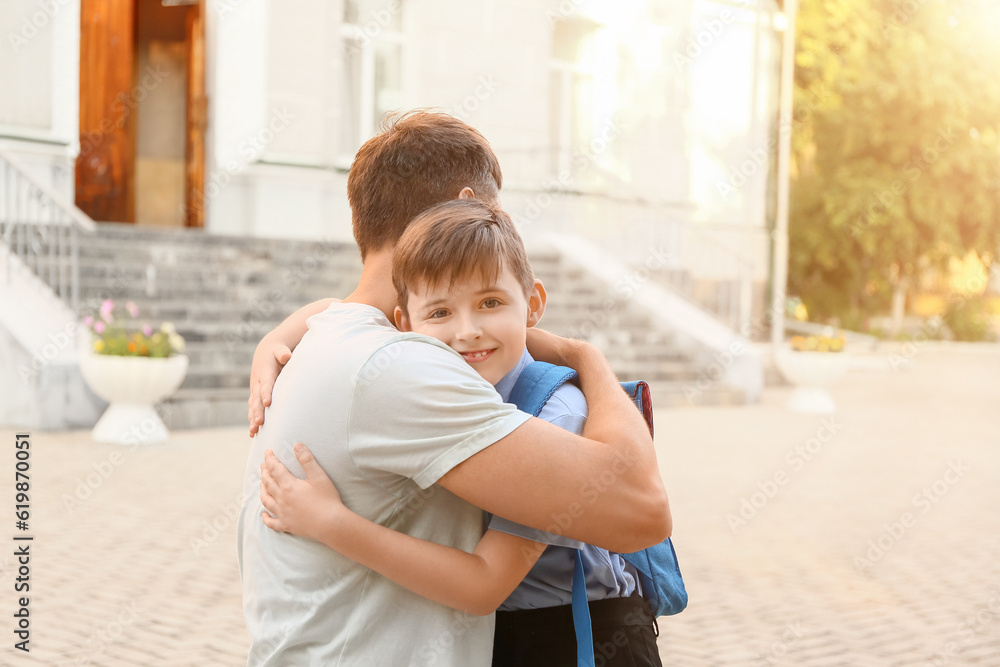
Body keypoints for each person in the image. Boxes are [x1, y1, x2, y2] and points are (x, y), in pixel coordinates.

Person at [237, 110, 670, 666]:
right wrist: (586, 357)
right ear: (465, 206)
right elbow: (642, 509)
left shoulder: (328, 336)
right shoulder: (400, 367)